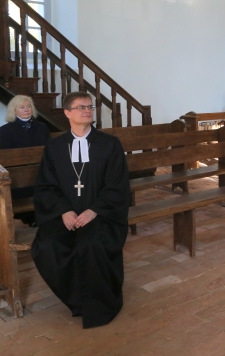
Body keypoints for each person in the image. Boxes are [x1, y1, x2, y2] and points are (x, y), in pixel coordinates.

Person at [31, 91, 131, 329]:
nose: (87, 111)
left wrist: (94, 210)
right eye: (81, 107)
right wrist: (64, 210)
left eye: (90, 107)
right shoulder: (55, 147)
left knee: (92, 244)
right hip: (64, 215)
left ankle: (101, 305)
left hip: (102, 214)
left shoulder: (109, 144)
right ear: (67, 113)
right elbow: (46, 185)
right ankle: (77, 300)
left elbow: (117, 184)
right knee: (47, 246)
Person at [0, 95, 51, 226]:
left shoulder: (42, 127)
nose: (27, 109)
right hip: (18, 176)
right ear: (14, 110)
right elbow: (7, 159)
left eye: (29, 106)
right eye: (22, 107)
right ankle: (32, 219)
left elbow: (49, 152)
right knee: (21, 186)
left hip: (40, 171)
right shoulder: (5, 131)